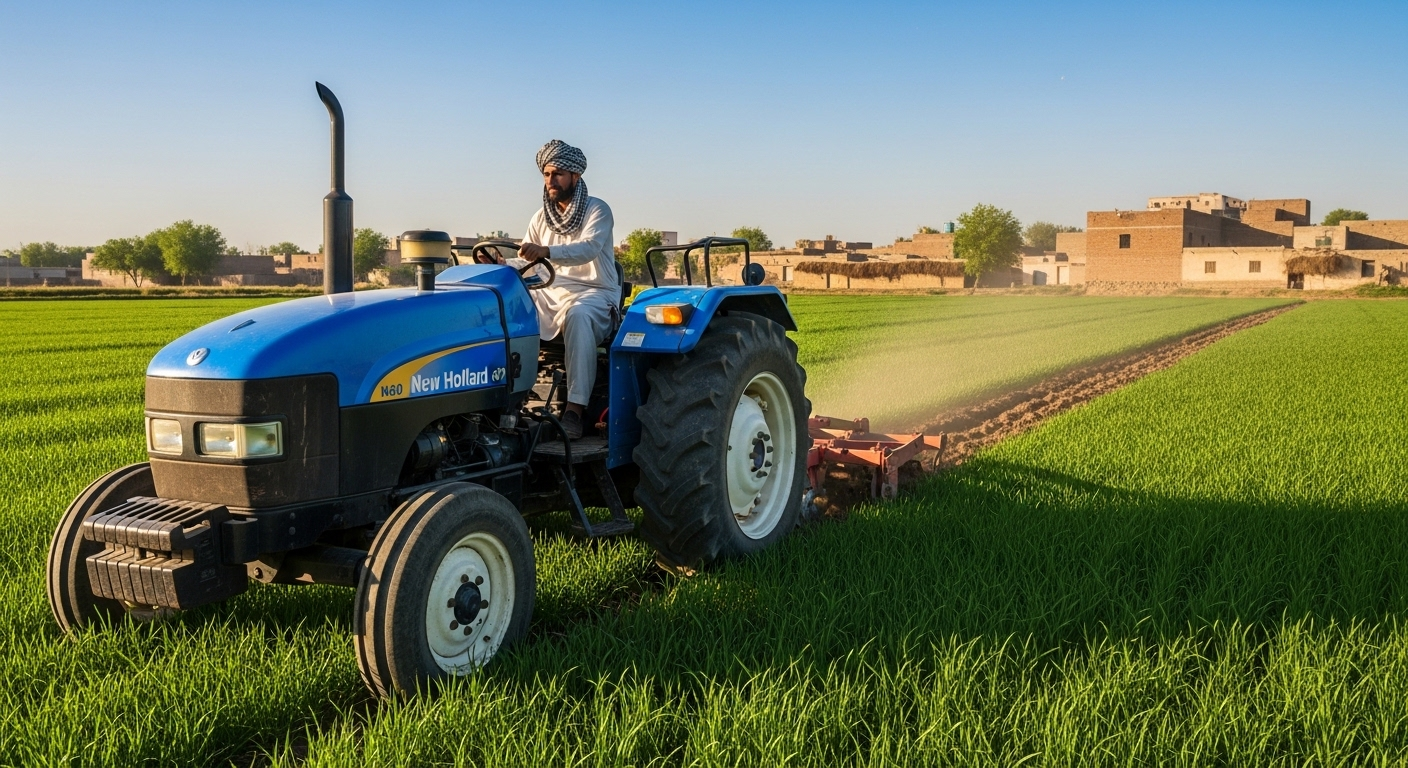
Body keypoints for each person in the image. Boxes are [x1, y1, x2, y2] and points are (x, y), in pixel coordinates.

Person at [514, 139, 617, 439]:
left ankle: (574, 410)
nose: (550, 181)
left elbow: (586, 249)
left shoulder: (598, 210)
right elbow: (528, 261)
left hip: (594, 293)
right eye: (546, 175)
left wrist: (545, 252)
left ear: (576, 176)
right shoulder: (539, 217)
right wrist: (498, 261)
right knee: (505, 307)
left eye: (557, 174)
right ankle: (510, 399)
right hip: (549, 290)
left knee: (578, 315)